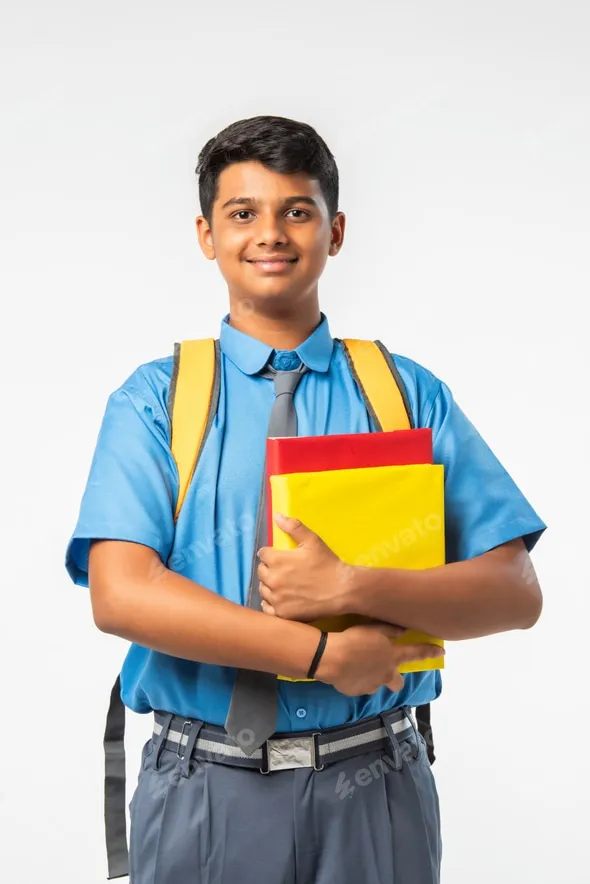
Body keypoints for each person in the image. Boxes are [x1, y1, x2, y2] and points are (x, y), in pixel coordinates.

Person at [65, 114, 546, 884]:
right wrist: (322, 656)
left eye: (297, 210)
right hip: (205, 787)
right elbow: (122, 595)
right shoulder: (156, 401)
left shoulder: (404, 393)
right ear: (205, 234)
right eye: (242, 213)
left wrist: (355, 586)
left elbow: (514, 593)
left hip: (376, 787)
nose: (271, 233)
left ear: (336, 229)